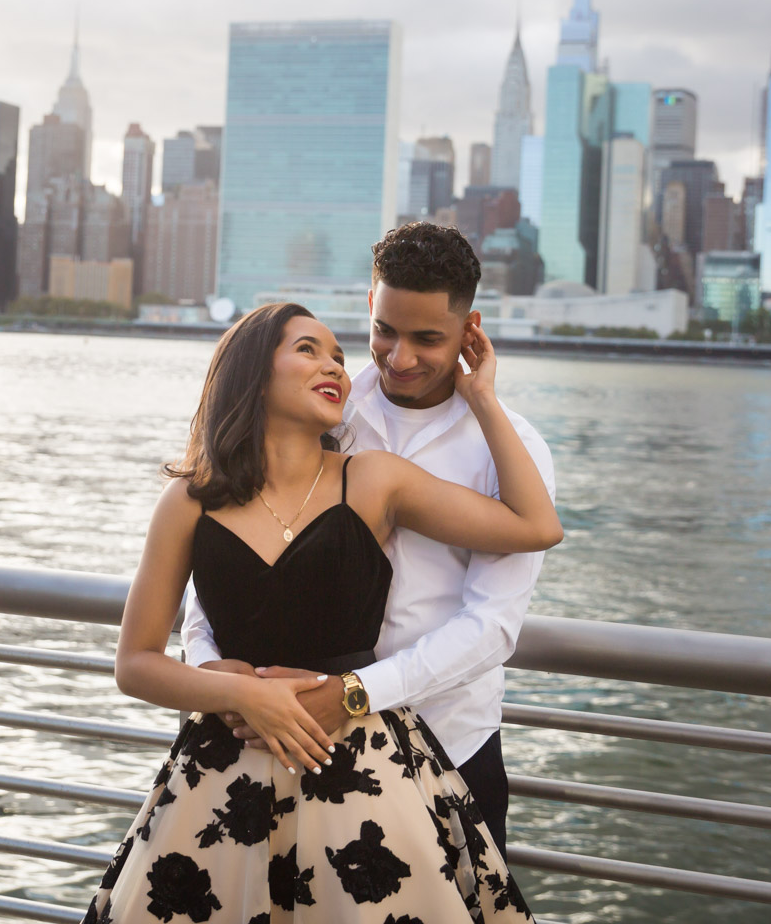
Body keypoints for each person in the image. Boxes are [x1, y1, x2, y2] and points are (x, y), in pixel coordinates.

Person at [84, 300, 559, 923]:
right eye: (307, 349)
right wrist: (242, 695)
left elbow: (535, 524)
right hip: (227, 767)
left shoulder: (374, 480)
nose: (334, 363)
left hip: (361, 763)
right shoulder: (189, 499)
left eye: (338, 353)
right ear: (252, 370)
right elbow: (135, 662)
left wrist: (483, 400)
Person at [184, 223, 553, 857]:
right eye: (385, 330)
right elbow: (231, 548)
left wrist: (355, 694)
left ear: (471, 330)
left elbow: (493, 625)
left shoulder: (513, 451)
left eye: (427, 338)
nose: (399, 356)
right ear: (370, 306)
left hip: (449, 745)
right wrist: (208, 665)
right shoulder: (322, 406)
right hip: (293, 736)